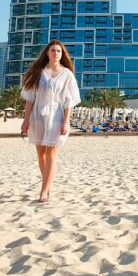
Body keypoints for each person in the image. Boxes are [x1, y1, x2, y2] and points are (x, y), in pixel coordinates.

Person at [21, 40, 80, 203]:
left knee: (52, 154)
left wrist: (66, 122)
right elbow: (29, 99)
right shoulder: (38, 72)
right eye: (53, 50)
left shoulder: (67, 74)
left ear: (62, 54)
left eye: (59, 51)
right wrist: (25, 121)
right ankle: (48, 183)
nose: (56, 53)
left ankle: (44, 191)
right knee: (41, 155)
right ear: (47, 53)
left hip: (57, 117)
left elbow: (69, 101)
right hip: (38, 117)